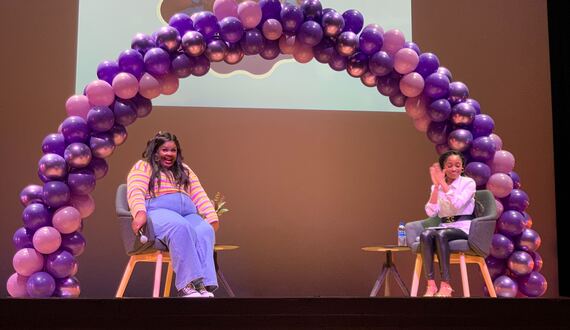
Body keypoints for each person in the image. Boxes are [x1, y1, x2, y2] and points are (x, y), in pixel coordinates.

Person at [127, 131, 219, 298]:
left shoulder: (184, 170)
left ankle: (203, 284)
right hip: (158, 211)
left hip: (187, 213)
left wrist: (211, 218)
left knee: (205, 230)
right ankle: (186, 285)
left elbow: (199, 194)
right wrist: (139, 213)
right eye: (164, 150)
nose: (169, 154)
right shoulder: (143, 166)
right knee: (180, 227)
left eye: (173, 150)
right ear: (155, 152)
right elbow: (135, 190)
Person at [419, 150, 476, 297]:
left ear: (462, 168)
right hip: (444, 225)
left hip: (463, 227)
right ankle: (431, 285)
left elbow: (457, 203)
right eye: (449, 165)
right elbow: (431, 212)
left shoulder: (468, 183)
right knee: (425, 234)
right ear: (443, 167)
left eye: (458, 165)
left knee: (441, 234)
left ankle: (446, 285)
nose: (454, 169)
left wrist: (443, 184)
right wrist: (436, 187)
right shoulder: (437, 186)